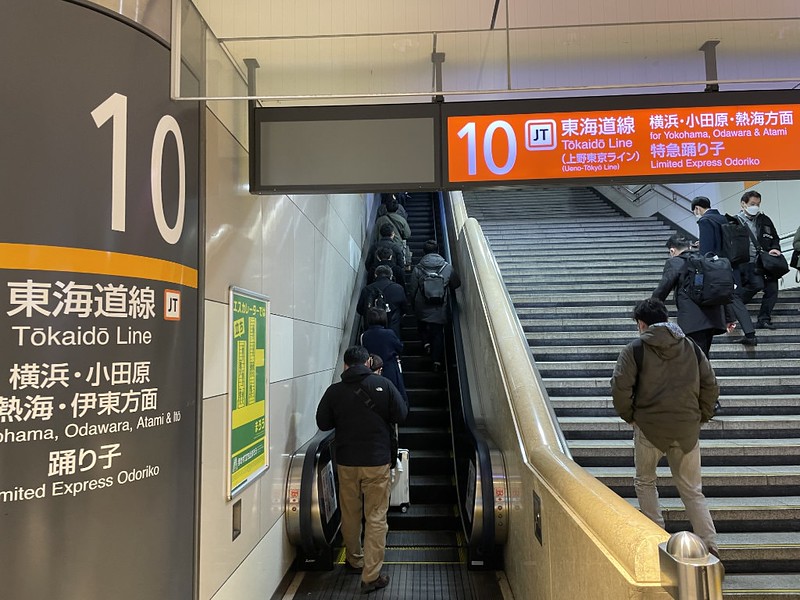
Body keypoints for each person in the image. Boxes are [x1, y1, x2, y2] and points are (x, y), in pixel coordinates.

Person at [610, 298, 721, 560]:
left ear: (641, 324)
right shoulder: (691, 347)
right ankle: (710, 543)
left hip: (649, 428)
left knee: (645, 481)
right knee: (692, 490)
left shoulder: (635, 348)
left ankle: (656, 536)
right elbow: (710, 384)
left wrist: (629, 416)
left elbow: (619, 387)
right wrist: (701, 415)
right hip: (686, 429)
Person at [316, 345, 408, 594]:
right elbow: (402, 414)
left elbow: (322, 423)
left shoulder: (334, 391)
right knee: (376, 517)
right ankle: (371, 575)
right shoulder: (384, 385)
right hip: (377, 462)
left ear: (346, 365)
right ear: (368, 362)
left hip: (346, 462)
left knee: (350, 512)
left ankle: (354, 559)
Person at [691, 196, 757, 345]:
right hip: (732, 265)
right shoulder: (724, 218)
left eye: (695, 211)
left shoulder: (705, 220)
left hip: (718, 268)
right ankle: (746, 332)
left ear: (697, 208)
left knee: (730, 298)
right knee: (732, 297)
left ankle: (749, 334)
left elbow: (707, 251)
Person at [652, 234, 731, 357]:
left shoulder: (675, 262)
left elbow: (664, 287)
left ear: (672, 250)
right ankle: (704, 376)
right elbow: (720, 289)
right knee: (702, 358)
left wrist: (650, 307)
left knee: (694, 359)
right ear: (689, 246)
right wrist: (729, 317)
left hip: (692, 320)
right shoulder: (704, 260)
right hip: (713, 317)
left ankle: (700, 377)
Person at [408, 240, 461, 371]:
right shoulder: (447, 267)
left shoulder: (418, 268)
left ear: (424, 252)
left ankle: (426, 343)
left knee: (422, 326)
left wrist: (412, 304)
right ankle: (436, 361)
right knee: (438, 333)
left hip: (422, 305)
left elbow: (413, 289)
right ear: (438, 251)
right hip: (440, 306)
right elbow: (456, 284)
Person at [735, 191, 782, 330]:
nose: (755, 207)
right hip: (747, 263)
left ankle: (764, 319)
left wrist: (775, 248)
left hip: (766, 261)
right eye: (752, 204)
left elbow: (775, 238)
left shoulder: (764, 220)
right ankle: (732, 308)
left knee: (772, 290)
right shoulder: (734, 221)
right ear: (743, 204)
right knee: (756, 285)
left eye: (757, 204)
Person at [360, 307, 408, 405]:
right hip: (390, 368)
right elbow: (400, 347)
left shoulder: (364, 336)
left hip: (372, 370)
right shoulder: (389, 333)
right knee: (394, 395)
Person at [357, 265, 408, 339]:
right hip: (393, 328)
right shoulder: (398, 288)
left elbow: (360, 310)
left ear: (375, 275)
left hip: (371, 330)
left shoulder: (367, 289)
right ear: (391, 275)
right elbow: (404, 309)